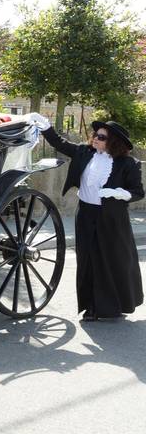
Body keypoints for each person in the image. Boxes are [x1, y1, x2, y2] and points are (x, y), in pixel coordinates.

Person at [29, 114, 144, 321]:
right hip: (86, 213)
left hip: (112, 218)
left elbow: (138, 191)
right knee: (87, 260)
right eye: (96, 135)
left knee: (111, 261)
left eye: (102, 137)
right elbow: (60, 143)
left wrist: (120, 193)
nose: (96, 139)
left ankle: (113, 305)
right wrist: (46, 127)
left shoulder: (129, 164)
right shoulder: (84, 152)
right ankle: (91, 306)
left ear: (113, 142)